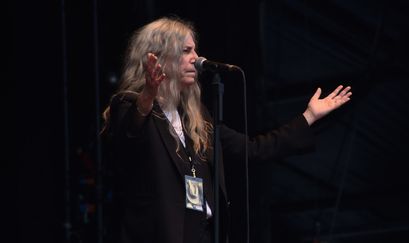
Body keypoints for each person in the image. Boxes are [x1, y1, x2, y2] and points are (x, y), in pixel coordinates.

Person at [101, 16, 352, 243]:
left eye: (195, 49)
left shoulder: (196, 120)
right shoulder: (128, 106)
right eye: (186, 51)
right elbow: (131, 130)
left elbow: (253, 149)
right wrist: (148, 93)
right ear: (159, 58)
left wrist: (309, 116)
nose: (196, 58)